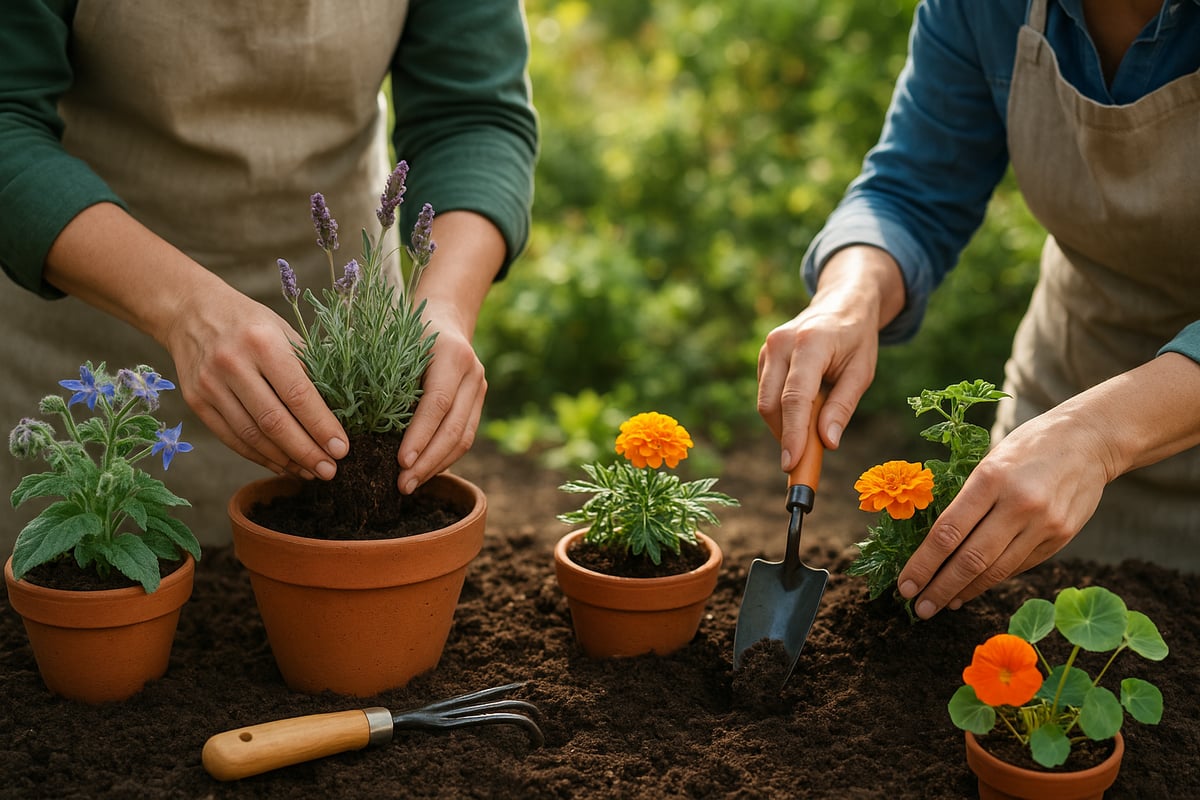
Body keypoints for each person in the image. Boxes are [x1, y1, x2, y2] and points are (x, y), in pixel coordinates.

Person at [0, 0, 539, 549]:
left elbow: (474, 117)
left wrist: (443, 306)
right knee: (87, 567)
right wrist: (183, 307)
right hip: (98, 335)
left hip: (344, 310)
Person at [756, 0, 1200, 619]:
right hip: (1063, 406)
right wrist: (849, 295)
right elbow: (912, 191)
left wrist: (1098, 434)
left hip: (1094, 426)